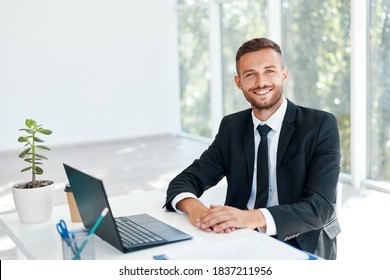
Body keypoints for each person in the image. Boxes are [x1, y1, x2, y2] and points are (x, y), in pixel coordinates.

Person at [164, 37, 341, 260]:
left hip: (300, 240)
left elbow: (320, 207)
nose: (260, 82)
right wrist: (195, 209)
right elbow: (186, 180)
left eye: (269, 71)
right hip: (238, 238)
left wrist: (251, 217)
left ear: (283, 75)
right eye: (250, 74)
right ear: (239, 82)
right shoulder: (232, 127)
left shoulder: (320, 125)